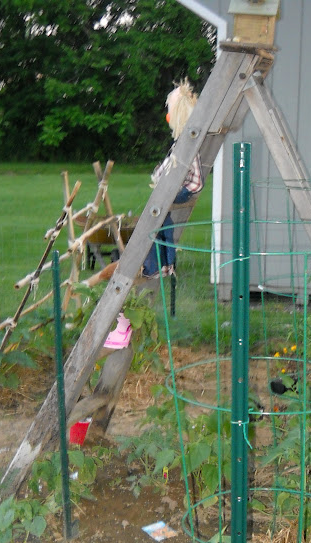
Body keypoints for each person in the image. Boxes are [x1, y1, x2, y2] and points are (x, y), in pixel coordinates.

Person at [102, 79, 202, 350]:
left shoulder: (184, 146)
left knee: (139, 256)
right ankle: (126, 321)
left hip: (168, 197)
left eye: (169, 111)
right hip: (167, 199)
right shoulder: (184, 144)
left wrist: (167, 186)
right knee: (148, 241)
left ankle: (124, 324)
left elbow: (188, 179)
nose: (167, 116)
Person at [142, 79, 203, 278]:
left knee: (154, 222)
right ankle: (165, 264)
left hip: (182, 190)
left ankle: (155, 267)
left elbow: (181, 171)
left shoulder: (184, 144)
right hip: (180, 188)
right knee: (162, 223)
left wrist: (161, 177)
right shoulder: (183, 142)